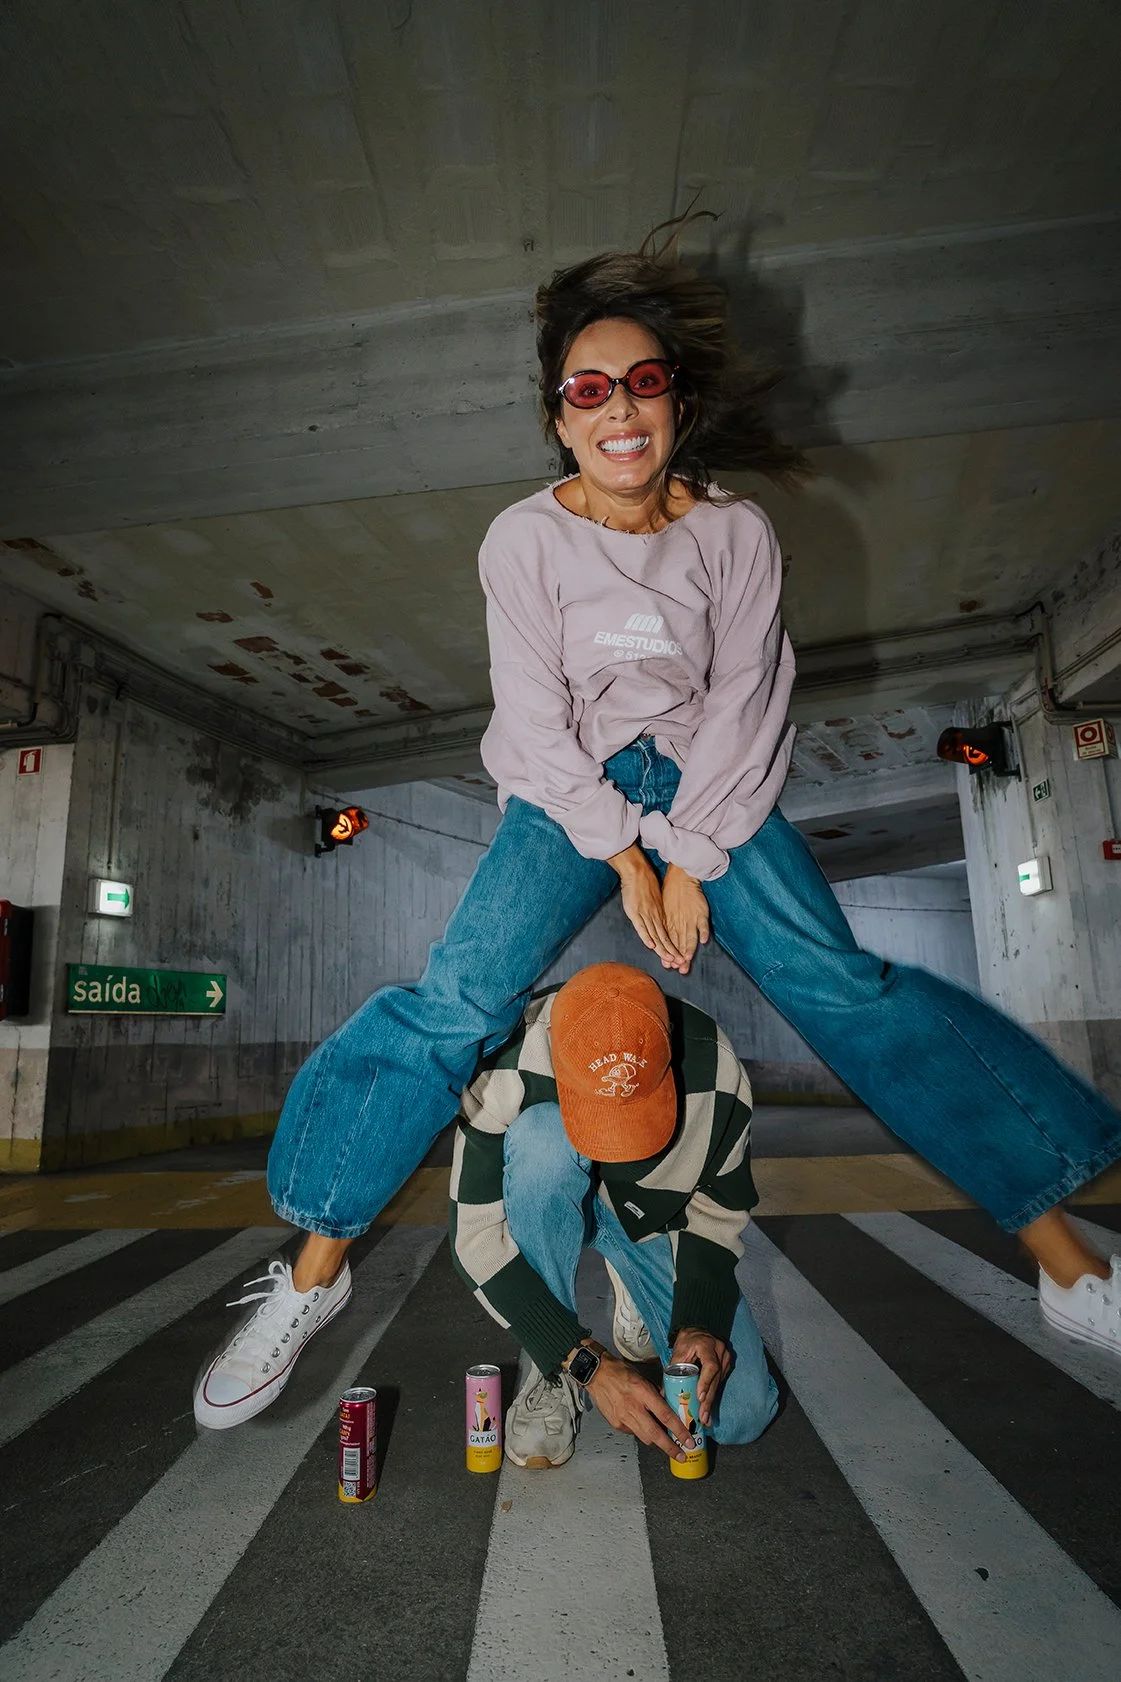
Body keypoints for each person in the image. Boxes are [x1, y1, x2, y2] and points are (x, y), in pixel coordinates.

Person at [194, 224, 1121, 1431]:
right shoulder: (522, 539)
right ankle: (313, 1277)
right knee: (456, 997)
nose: (618, 410)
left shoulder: (734, 533)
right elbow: (533, 721)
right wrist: (624, 855)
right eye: (588, 391)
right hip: (566, 788)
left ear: (675, 403)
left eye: (641, 383)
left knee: (841, 986)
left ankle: (1068, 1270)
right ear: (558, 417)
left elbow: (748, 703)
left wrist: (684, 854)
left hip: (709, 786)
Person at [450, 962, 776, 1468]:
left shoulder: (718, 1071)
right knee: (541, 1140)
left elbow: (718, 1214)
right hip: (557, 1201)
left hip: (650, 1224)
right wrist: (584, 1361)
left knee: (737, 1416)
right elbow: (475, 1240)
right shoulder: (505, 1066)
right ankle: (552, 1371)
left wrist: (699, 1322)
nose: (618, 1147)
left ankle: (632, 1279)